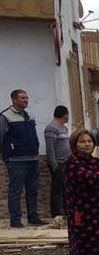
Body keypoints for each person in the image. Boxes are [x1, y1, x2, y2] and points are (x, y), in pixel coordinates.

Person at [1, 89, 44, 227]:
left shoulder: (28, 115)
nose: (26, 100)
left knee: (32, 189)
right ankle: (15, 220)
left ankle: (33, 217)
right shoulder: (5, 116)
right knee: (15, 191)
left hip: (32, 158)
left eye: (26, 97)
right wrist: (6, 157)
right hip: (16, 160)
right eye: (22, 98)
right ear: (14, 100)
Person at [44, 105, 71, 217]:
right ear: (64, 115)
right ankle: (56, 214)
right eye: (68, 114)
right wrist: (54, 165)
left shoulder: (64, 128)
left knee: (66, 189)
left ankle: (66, 211)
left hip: (66, 163)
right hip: (58, 163)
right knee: (57, 190)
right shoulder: (51, 128)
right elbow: (50, 149)